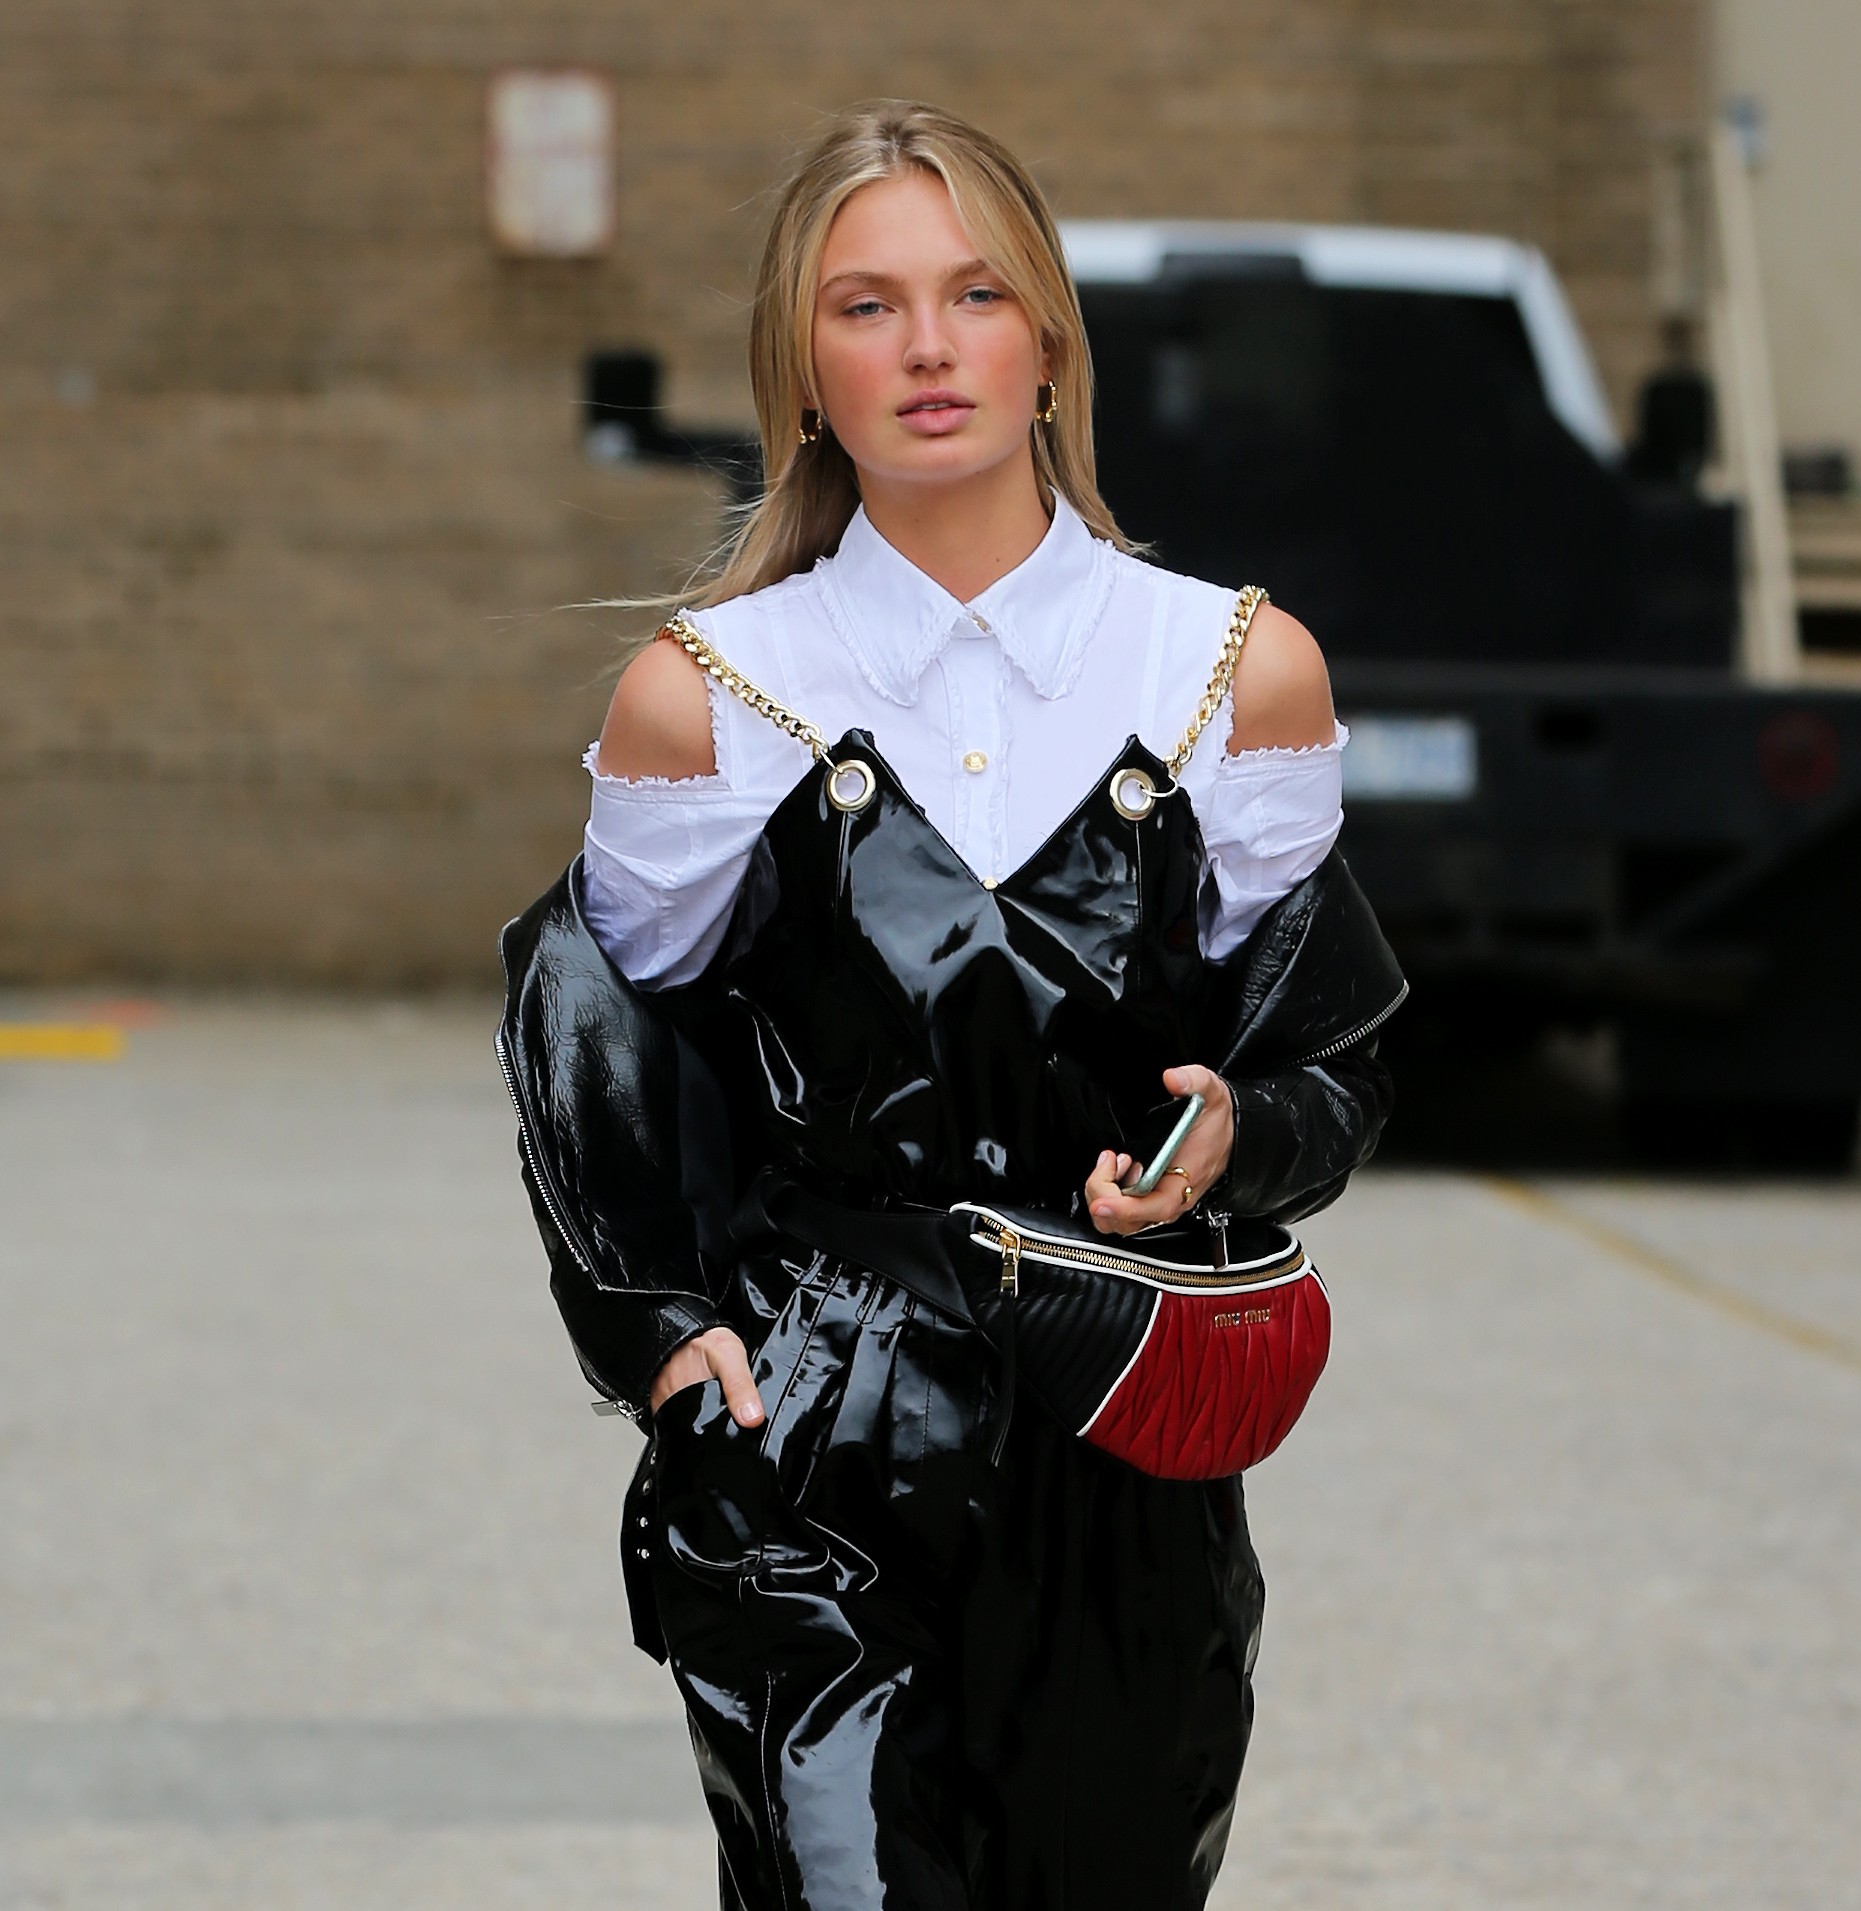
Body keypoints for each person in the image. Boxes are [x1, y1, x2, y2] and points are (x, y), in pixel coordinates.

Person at [498, 99, 1403, 1911]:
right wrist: (664, 1325)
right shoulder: (710, 700)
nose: (926, 347)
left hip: (1123, 1428)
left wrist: (1241, 1132)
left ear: (1051, 343)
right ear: (802, 370)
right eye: (865, 306)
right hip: (821, 1429)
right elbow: (597, 1019)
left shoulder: (1233, 670)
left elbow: (1326, 1045)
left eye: (977, 295)